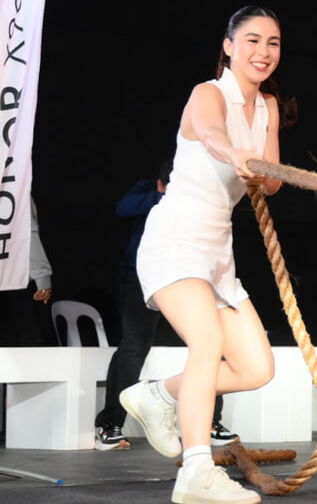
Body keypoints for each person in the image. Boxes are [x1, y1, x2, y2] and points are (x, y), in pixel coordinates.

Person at [121, 5, 296, 504]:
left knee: (256, 367)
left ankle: (157, 394)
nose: (263, 51)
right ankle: (196, 472)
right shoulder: (208, 93)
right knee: (207, 340)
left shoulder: (268, 107)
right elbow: (214, 135)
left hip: (219, 253)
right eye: (253, 40)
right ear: (229, 46)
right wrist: (237, 155)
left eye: (273, 43)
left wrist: (264, 173)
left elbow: (274, 181)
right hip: (175, 241)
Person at [94, 160, 239, 451]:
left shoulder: (202, 196)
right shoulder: (151, 190)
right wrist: (168, 196)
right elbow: (123, 208)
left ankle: (209, 422)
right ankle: (110, 424)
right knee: (134, 346)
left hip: (189, 276)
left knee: (208, 343)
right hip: (143, 276)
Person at [0, 201, 57, 346]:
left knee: (25, 336)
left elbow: (25, 228)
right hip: (14, 276)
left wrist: (42, 276)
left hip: (15, 275)